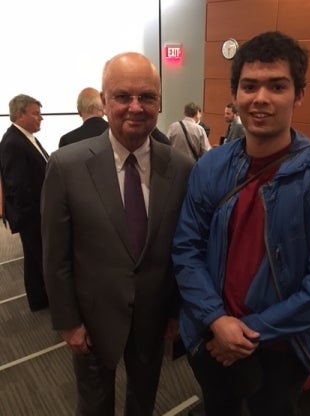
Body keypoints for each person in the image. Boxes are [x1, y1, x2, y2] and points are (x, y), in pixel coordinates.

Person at [172, 31, 310, 416]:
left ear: (299, 94)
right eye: (249, 86)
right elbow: (187, 249)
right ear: (236, 94)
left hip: (280, 348)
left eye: (277, 86)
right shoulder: (212, 166)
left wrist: (247, 331)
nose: (261, 98)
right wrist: (217, 321)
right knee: (217, 409)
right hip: (210, 336)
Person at [41, 52, 193, 416]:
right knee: (94, 405)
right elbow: (55, 254)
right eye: (123, 96)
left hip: (154, 318)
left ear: (159, 101)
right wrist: (69, 322)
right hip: (92, 320)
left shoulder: (182, 168)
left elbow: (182, 250)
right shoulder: (66, 166)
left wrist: (176, 313)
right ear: (105, 102)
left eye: (147, 97)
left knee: (143, 400)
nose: (135, 107)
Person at [0, 94, 49, 312]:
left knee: (34, 257)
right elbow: (17, 185)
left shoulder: (25, 137)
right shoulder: (13, 142)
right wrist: (33, 214)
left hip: (36, 212)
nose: (41, 118)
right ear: (20, 115)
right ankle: (44, 301)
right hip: (32, 215)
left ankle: (39, 300)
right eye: (36, 113)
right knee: (38, 257)